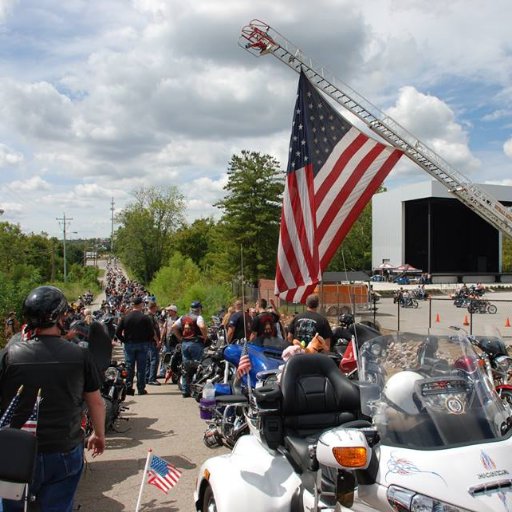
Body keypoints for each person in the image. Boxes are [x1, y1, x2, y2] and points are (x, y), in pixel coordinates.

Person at [0, 285, 105, 512]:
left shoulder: (9, 355)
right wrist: (99, 434)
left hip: (16, 452)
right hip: (63, 449)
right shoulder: (80, 355)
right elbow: (96, 401)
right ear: (57, 317)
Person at [115, 296, 155, 396]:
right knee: (141, 368)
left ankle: (129, 388)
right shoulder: (145, 318)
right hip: (142, 344)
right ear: (141, 304)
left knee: (129, 367)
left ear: (133, 305)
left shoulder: (126, 317)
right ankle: (141, 389)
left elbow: (118, 332)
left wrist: (124, 341)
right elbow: (151, 332)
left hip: (129, 344)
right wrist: (147, 341)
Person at [172, 301, 208, 398]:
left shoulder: (183, 317)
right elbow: (202, 326)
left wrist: (180, 338)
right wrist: (205, 337)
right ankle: (197, 389)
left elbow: (174, 327)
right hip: (196, 343)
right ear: (199, 309)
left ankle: (185, 390)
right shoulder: (198, 317)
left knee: (186, 367)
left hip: (185, 343)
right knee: (199, 366)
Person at [145, 301, 161, 386]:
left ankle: (147, 377)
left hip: (148, 342)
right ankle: (152, 379)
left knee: (148, 360)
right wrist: (157, 341)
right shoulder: (149, 317)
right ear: (153, 307)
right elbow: (152, 331)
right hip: (152, 342)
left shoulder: (149, 316)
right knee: (154, 360)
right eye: (155, 307)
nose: (156, 309)